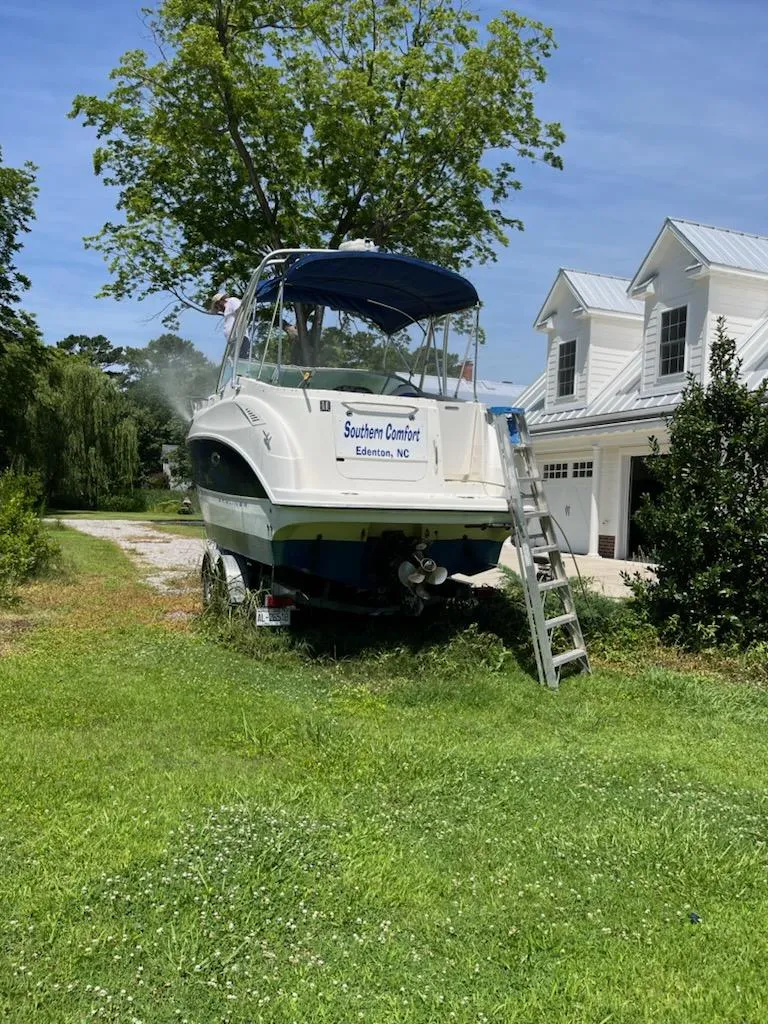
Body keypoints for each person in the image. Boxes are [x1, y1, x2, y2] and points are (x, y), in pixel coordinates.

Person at [210, 291, 250, 358]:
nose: (219, 309)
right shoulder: (226, 311)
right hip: (233, 342)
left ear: (220, 302)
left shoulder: (232, 301)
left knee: (239, 359)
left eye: (217, 306)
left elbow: (241, 313)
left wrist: (239, 330)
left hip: (240, 339)